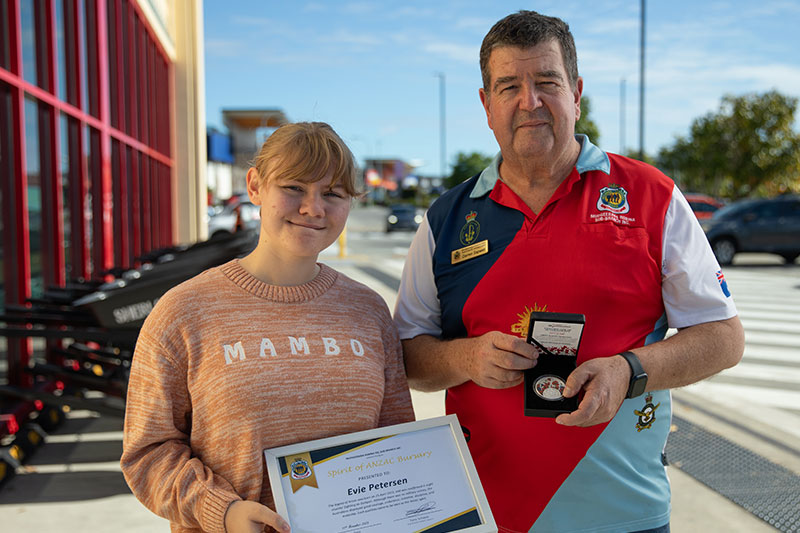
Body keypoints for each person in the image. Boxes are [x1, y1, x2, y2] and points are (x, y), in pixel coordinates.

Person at [394, 10, 744, 533]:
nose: (528, 102)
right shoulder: (447, 218)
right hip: (480, 514)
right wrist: (465, 356)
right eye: (508, 85)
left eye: (546, 82)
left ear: (576, 93)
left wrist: (629, 370)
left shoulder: (651, 197)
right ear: (486, 104)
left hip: (623, 513)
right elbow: (408, 357)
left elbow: (724, 337)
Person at [122, 122, 414, 533]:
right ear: (256, 187)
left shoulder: (368, 310)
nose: (313, 208)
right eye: (294, 187)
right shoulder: (184, 311)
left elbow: (396, 441)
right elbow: (148, 452)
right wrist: (221, 511)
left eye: (332, 193)